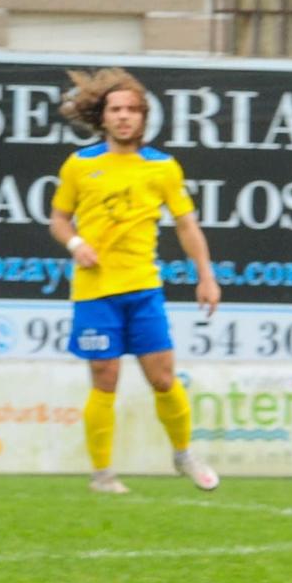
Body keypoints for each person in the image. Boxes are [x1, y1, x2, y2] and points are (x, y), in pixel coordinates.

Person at [48, 68, 221, 494]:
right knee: (104, 376)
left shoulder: (162, 168)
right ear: (103, 117)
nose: (124, 117)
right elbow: (59, 220)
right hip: (93, 292)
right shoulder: (80, 164)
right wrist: (75, 245)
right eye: (116, 109)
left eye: (132, 110)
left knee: (163, 378)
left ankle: (183, 453)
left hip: (143, 288)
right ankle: (102, 475)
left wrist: (206, 276)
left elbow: (186, 225)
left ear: (143, 118)